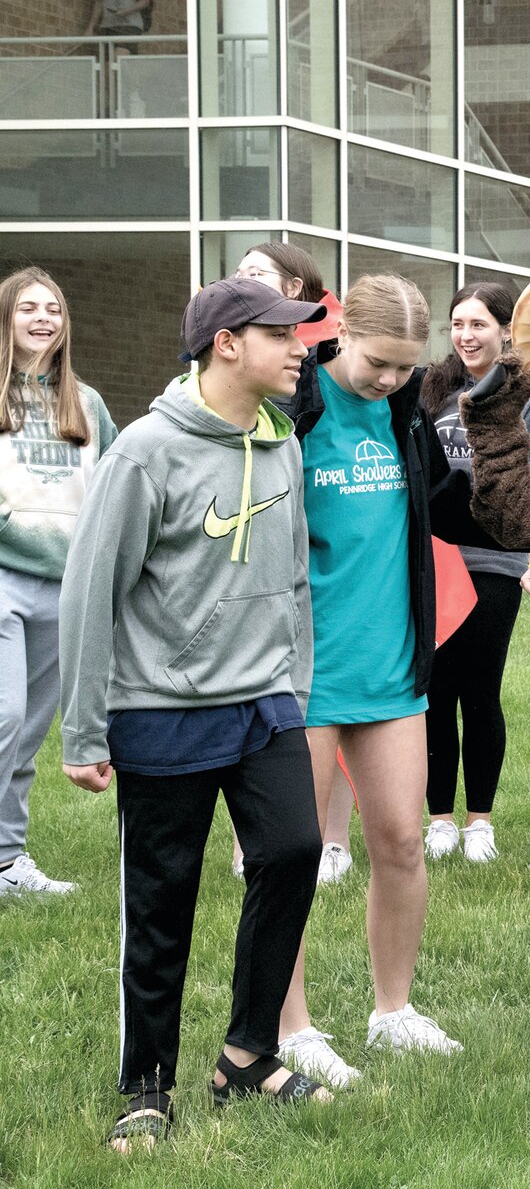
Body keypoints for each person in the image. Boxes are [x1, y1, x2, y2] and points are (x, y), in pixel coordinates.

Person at [58, 277, 332, 1152]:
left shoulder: (281, 445)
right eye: (282, 335)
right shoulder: (144, 451)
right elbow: (89, 589)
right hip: (162, 711)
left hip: (264, 705)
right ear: (226, 344)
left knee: (294, 852)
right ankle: (146, 1085)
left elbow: (292, 577)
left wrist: (295, 681)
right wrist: (82, 728)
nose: (301, 349)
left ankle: (249, 1054)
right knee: (161, 903)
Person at [274, 275, 496, 1087]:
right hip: (298, 672)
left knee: (402, 841)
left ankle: (392, 1011)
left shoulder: (404, 416)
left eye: (406, 366)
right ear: (339, 336)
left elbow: (449, 509)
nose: (391, 380)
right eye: (378, 362)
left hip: (393, 666)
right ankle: (289, 1025)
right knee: (290, 853)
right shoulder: (291, 410)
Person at [230, 240, 352, 884]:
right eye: (240, 272)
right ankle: (253, 833)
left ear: (302, 289)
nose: (243, 279)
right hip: (256, 546)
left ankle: (332, 838)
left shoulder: (329, 358)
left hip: (326, 547)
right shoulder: (229, 350)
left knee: (331, 693)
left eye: (260, 272)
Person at [0, 269, 116, 898]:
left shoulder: (87, 402)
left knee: (27, 732)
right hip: (3, 577)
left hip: (67, 585)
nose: (42, 319)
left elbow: (115, 489)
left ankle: (8, 861)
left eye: (53, 309)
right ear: (6, 319)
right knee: (2, 714)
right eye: (27, 309)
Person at [420, 280, 530, 863]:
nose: (466, 335)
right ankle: (439, 820)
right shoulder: (433, 389)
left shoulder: (526, 392)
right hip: (438, 558)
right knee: (436, 691)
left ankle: (480, 823)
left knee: (481, 689)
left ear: (505, 330)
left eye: (478, 324)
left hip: (496, 559)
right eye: (458, 324)